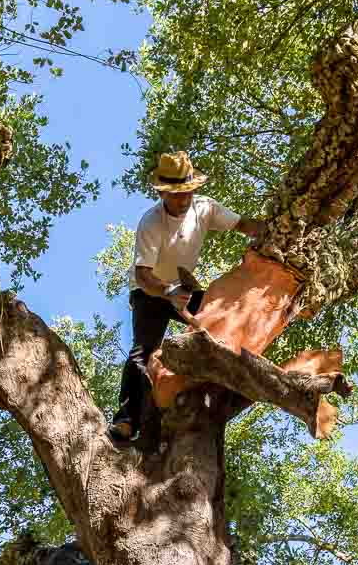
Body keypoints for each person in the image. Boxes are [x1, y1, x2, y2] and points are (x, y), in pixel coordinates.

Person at [109, 151, 263, 442]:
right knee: (142, 352)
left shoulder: (205, 208)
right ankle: (127, 419)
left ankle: (214, 378)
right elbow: (143, 275)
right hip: (150, 292)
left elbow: (244, 225)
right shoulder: (151, 223)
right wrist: (168, 292)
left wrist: (273, 229)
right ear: (162, 192)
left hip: (183, 288)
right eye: (176, 195)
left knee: (225, 312)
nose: (183, 200)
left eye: (188, 193)